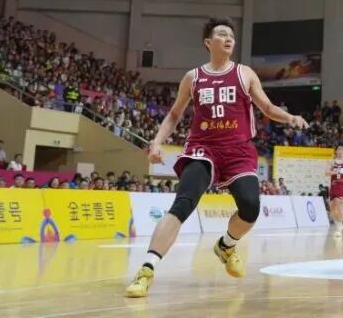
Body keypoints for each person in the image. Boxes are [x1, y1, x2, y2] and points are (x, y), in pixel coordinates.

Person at [125, 17, 308, 298]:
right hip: (203, 148)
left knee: (250, 207)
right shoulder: (193, 77)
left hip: (238, 150)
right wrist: (157, 142)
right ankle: (146, 271)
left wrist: (290, 117)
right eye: (222, 34)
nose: (228, 38)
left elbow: (268, 107)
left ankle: (226, 245)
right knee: (183, 203)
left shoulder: (245, 73)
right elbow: (174, 114)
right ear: (208, 43)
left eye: (231, 35)